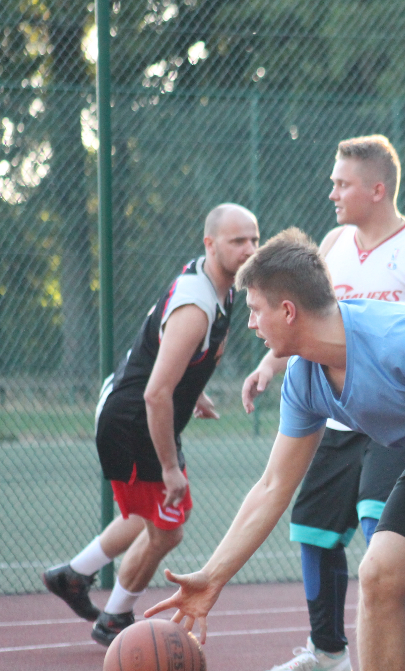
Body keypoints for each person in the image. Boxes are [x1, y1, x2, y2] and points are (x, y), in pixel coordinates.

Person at [145, 228, 405, 671]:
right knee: (378, 577)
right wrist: (213, 576)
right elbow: (273, 486)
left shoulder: (396, 339)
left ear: (288, 311)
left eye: (256, 310)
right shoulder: (304, 380)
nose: (250, 323)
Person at [242, 135, 405, 671]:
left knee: (377, 522)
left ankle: (392, 652)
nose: (332, 192)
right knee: (311, 528)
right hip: (338, 413)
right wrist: (271, 364)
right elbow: (307, 322)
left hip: (398, 418)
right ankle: (327, 652)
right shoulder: (333, 245)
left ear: (377, 189)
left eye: (343, 183)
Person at [42, 204, 260, 646]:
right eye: (239, 241)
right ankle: (115, 618)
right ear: (210, 244)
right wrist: (169, 467)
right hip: (133, 422)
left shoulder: (225, 287)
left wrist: (193, 391)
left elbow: (170, 358)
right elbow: (155, 393)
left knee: (149, 515)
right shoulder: (197, 303)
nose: (249, 249)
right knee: (167, 528)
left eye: (254, 239)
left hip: (138, 414)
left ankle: (73, 575)